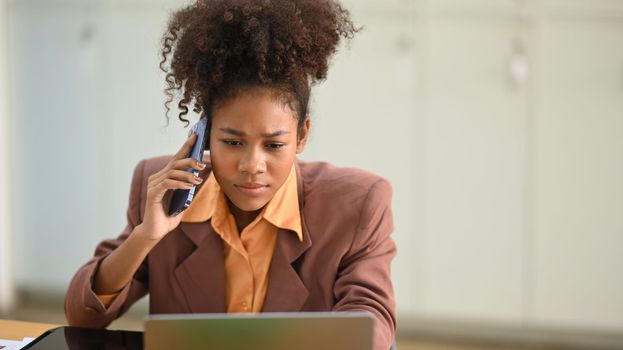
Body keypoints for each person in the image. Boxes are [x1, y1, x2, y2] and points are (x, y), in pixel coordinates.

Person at [65, 0, 396, 349]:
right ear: (206, 136)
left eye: (273, 145)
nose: (252, 165)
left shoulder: (358, 204)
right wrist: (144, 237)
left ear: (301, 136)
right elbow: (83, 316)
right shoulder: (166, 191)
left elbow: (371, 323)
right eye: (233, 141)